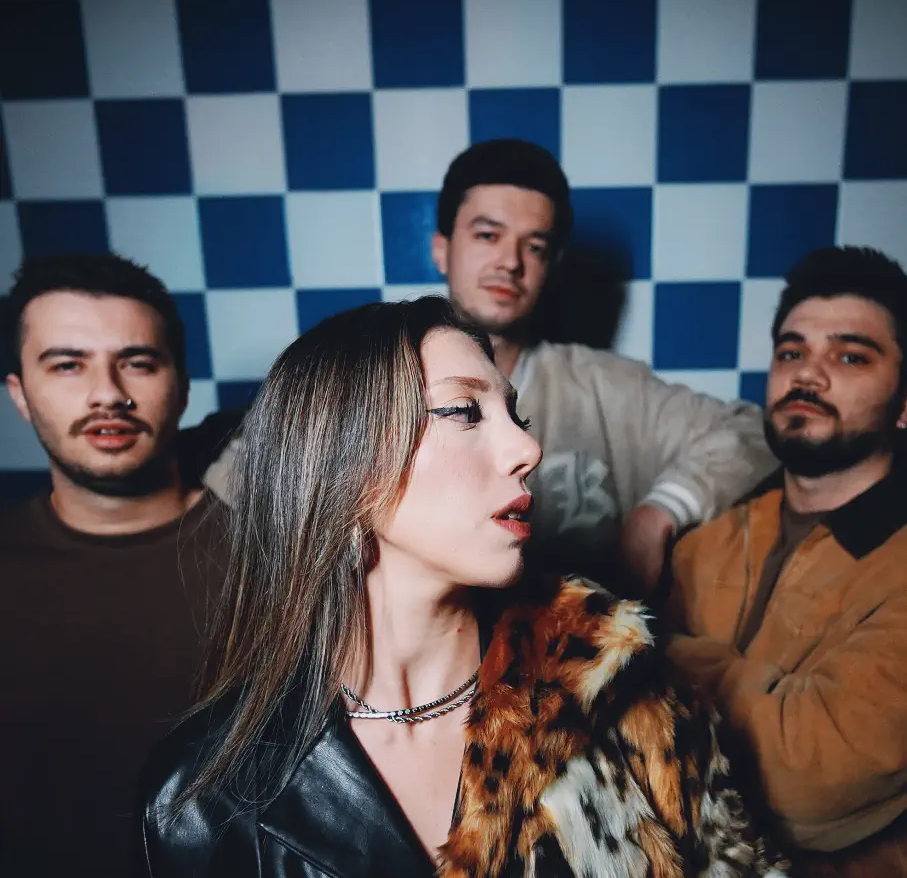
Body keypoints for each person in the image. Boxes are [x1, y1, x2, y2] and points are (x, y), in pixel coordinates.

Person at [139, 296, 790, 878]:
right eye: (464, 411)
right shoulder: (199, 799)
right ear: (346, 464)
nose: (526, 449)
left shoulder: (615, 690)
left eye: (515, 415)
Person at [203, 139, 776, 591]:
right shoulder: (371, 375)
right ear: (441, 248)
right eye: (487, 234)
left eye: (535, 246)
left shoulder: (607, 387)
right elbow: (232, 495)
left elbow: (752, 431)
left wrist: (659, 514)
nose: (510, 262)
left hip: (562, 675)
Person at [664, 246, 907, 876]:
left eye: (851, 357)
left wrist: (663, 654)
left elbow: (805, 782)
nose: (809, 376)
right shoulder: (707, 542)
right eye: (792, 353)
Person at [0, 253, 229, 878]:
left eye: (138, 362)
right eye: (67, 364)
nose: (107, 393)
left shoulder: (280, 564)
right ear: (20, 394)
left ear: (182, 385)